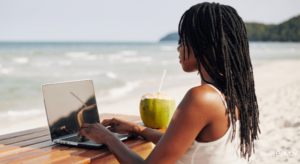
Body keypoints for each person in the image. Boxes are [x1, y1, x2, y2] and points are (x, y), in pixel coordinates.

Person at [78, 2, 260, 164]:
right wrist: (138, 129)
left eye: (182, 40)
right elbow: (185, 143)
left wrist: (108, 138)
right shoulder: (234, 93)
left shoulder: (201, 98)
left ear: (202, 44)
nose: (178, 47)